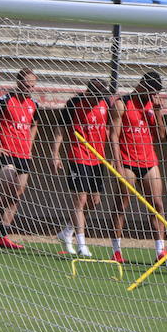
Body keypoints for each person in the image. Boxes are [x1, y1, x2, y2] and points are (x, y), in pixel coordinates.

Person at [109, 71, 167, 265]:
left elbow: (161, 136)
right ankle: (116, 250)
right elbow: (113, 136)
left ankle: (161, 250)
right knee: (122, 204)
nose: (153, 95)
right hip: (127, 162)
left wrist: (159, 112)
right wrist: (117, 163)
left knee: (157, 205)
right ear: (142, 84)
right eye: (151, 91)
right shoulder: (122, 103)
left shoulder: (153, 106)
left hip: (149, 162)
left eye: (156, 92)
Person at [51, 78, 112, 257]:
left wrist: (113, 156)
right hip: (78, 156)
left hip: (98, 159)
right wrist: (55, 154)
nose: (97, 100)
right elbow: (60, 129)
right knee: (80, 200)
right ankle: (81, 244)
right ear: (89, 92)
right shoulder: (74, 103)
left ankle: (68, 230)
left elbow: (108, 129)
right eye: (95, 96)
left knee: (94, 201)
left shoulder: (105, 102)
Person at [0, 67, 39, 250]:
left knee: (17, 194)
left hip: (24, 155)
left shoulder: (33, 104)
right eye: (26, 84)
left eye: (32, 85)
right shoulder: (4, 101)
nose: (29, 88)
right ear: (18, 82)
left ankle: (2, 235)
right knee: (9, 190)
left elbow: (34, 124)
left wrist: (29, 145)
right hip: (6, 154)